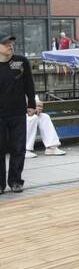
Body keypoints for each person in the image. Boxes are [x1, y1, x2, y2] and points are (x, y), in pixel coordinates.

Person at [0, 35, 35, 193]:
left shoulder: (21, 61)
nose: (10, 46)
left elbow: (29, 83)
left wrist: (32, 104)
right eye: (5, 43)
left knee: (18, 148)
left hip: (18, 112)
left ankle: (15, 181)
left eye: (11, 43)